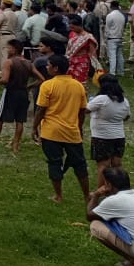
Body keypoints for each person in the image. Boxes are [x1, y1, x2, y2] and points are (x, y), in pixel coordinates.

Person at [32, 53, 91, 204]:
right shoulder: (78, 86)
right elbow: (82, 110)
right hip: (71, 132)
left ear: (56, 68)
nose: (46, 67)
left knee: (54, 162)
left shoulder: (48, 85)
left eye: (48, 65)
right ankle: (86, 195)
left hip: (51, 132)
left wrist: (34, 127)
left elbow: (41, 109)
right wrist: (79, 127)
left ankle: (58, 195)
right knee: (80, 164)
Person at [87, 167, 134, 266]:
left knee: (96, 225)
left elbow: (90, 215)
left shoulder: (114, 200)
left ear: (108, 185)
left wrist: (95, 195)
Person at [0, 42, 34, 153]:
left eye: (9, 48)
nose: (7, 50)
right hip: (23, 93)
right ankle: (16, 145)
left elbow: (5, 79)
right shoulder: (28, 63)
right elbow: (41, 78)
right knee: (20, 120)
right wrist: (29, 86)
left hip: (10, 92)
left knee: (0, 118)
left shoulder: (9, 62)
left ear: (14, 49)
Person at [88, 73, 131, 190]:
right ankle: (120, 188)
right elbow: (127, 117)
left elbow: (85, 109)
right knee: (117, 164)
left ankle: (101, 190)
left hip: (102, 136)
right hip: (119, 136)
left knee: (103, 165)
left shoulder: (101, 99)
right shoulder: (124, 101)